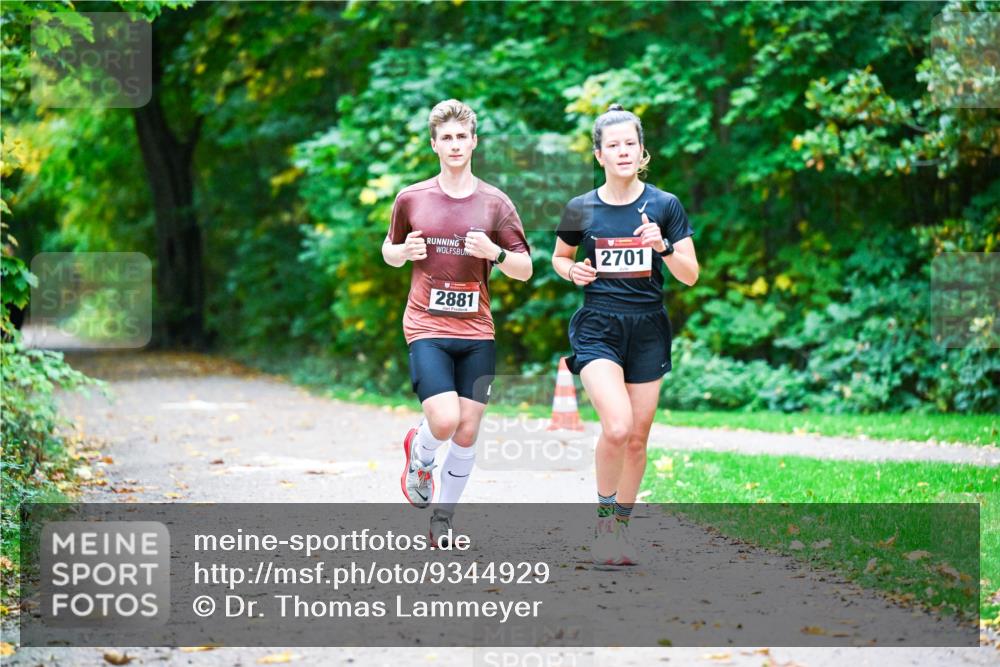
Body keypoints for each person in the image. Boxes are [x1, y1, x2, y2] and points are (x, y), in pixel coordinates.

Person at [551, 104, 699, 566]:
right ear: (599, 154)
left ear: (642, 151)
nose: (622, 152)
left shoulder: (664, 205)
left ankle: (619, 529)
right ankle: (601, 521)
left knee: (637, 436)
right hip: (598, 325)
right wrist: (571, 270)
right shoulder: (581, 208)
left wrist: (664, 245)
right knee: (615, 426)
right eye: (612, 145)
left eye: (630, 144)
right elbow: (559, 258)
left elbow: (690, 275)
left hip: (648, 328)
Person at [383, 99, 532, 546]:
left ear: (474, 142)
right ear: (434, 144)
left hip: (477, 331)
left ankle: (442, 518)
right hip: (426, 325)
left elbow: (524, 267)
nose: (454, 144)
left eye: (461, 136)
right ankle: (421, 450)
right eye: (445, 138)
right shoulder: (412, 198)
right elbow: (388, 251)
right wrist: (402, 253)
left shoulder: (495, 203)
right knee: (445, 420)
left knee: (468, 429)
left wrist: (497, 254)